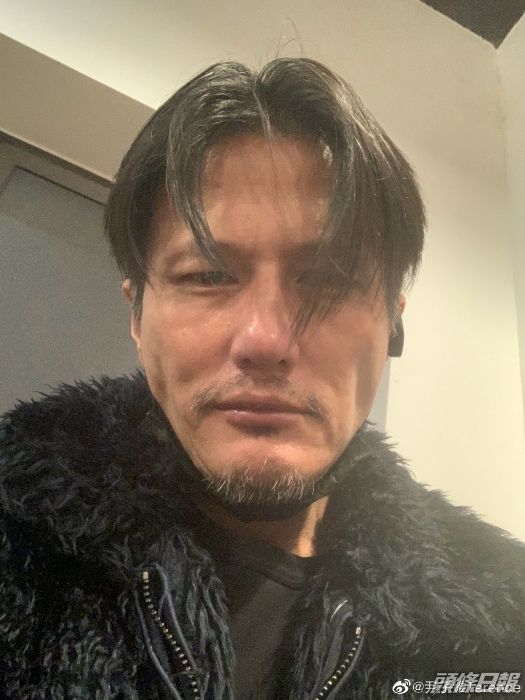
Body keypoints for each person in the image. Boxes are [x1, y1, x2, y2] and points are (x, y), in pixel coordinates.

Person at [1, 58, 524, 700]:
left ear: (393, 324)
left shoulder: (502, 624)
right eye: (207, 275)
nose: (266, 341)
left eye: (328, 280)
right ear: (136, 316)